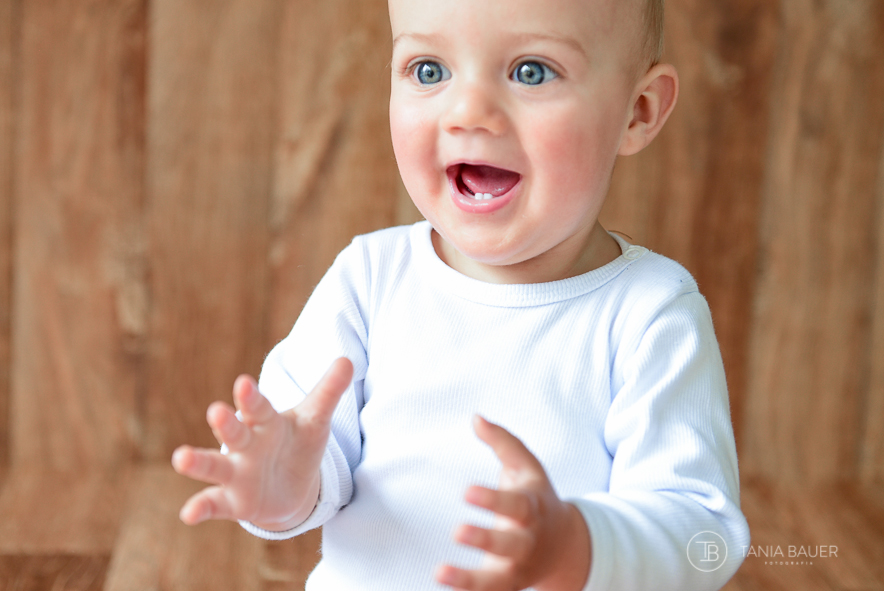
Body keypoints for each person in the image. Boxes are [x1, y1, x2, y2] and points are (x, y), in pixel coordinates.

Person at [171, 0, 750, 588]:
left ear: (638, 112)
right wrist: (285, 485)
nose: (469, 113)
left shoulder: (649, 314)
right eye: (429, 71)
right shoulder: (370, 279)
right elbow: (310, 453)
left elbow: (702, 533)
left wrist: (580, 545)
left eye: (532, 71)